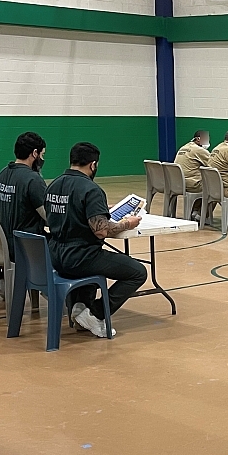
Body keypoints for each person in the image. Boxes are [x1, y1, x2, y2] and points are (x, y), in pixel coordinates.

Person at [45, 142, 147, 338]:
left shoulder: (54, 185)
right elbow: (101, 231)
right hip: (80, 257)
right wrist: (128, 223)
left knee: (97, 263)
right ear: (93, 165)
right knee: (137, 272)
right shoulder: (91, 189)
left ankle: (79, 307)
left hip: (55, 254)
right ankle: (95, 314)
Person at [0, 132, 47, 262]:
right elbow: (50, 218)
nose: (42, 159)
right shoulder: (33, 180)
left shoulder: (2, 174)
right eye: (42, 155)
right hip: (28, 246)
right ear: (35, 153)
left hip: (4, 245)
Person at [174, 130, 211, 194]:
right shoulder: (199, 150)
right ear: (198, 139)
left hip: (178, 183)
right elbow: (213, 164)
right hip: (192, 185)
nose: (207, 142)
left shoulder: (183, 147)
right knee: (215, 186)